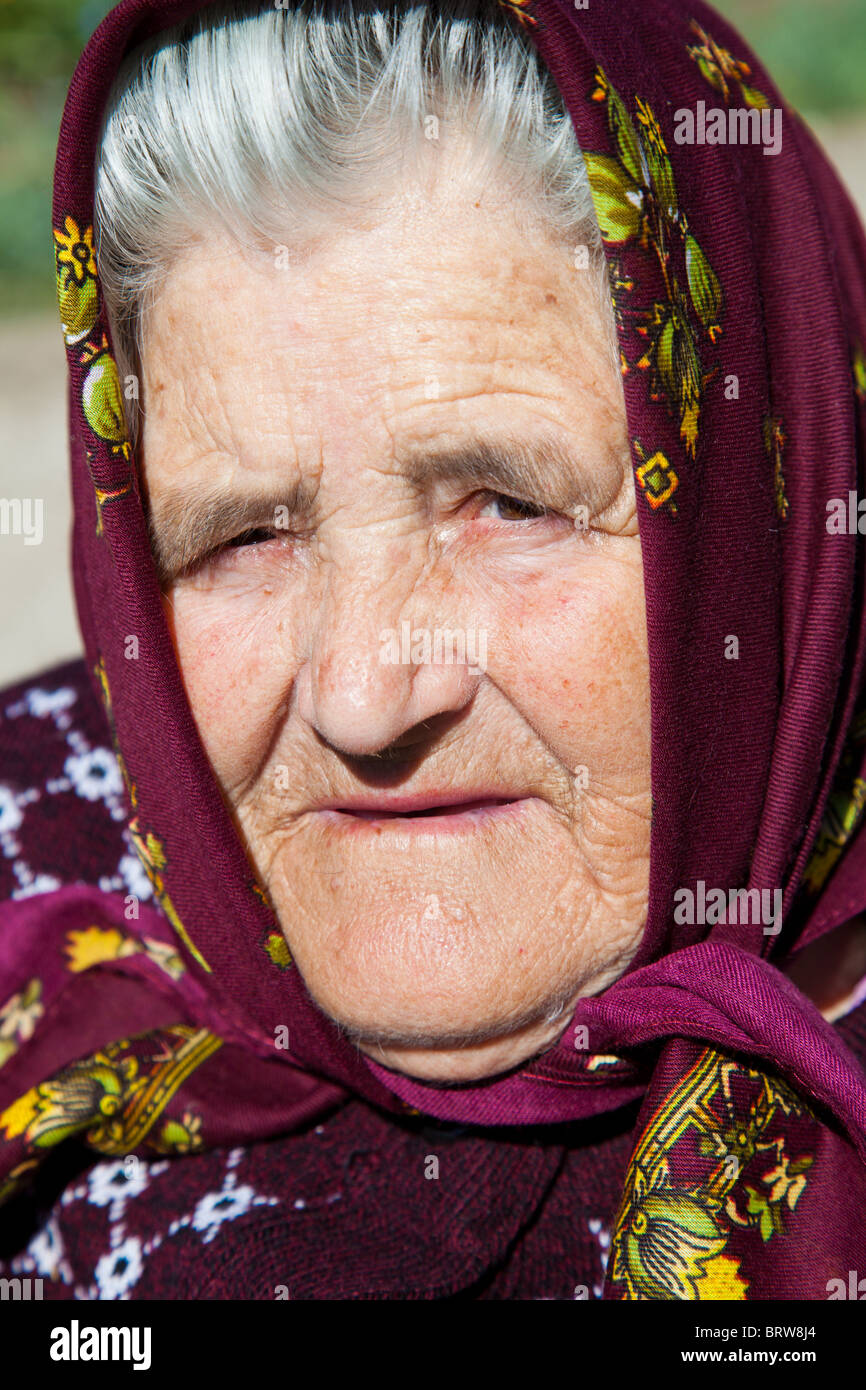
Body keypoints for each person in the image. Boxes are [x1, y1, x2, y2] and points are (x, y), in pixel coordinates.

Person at [1, 0, 865, 1300]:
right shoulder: (31, 851)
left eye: (505, 503)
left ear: (769, 509)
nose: (361, 696)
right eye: (242, 535)